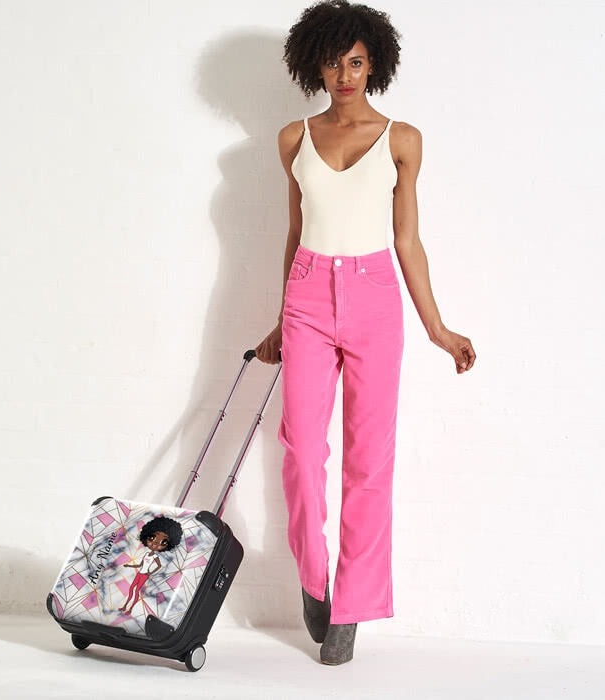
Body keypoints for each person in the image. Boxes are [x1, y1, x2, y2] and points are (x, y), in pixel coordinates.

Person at [254, 0, 476, 665]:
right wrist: (281, 319)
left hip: (376, 297)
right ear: (315, 66)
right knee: (301, 450)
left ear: (374, 64)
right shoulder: (293, 139)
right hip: (307, 297)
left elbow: (408, 240)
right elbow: (295, 235)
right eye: (333, 63)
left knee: (368, 462)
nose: (345, 75)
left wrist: (437, 327)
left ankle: (351, 608)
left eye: (355, 62)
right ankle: (313, 579)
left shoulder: (401, 139)